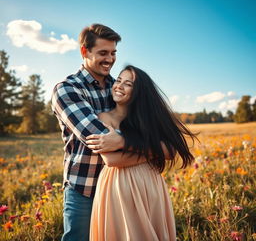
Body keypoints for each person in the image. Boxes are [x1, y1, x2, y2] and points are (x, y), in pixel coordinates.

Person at [86, 65, 197, 241]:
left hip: (150, 185)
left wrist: (123, 142)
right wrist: (155, 150)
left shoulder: (149, 120)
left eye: (128, 84)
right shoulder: (104, 118)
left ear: (139, 92)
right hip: (118, 187)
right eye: (118, 80)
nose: (119, 86)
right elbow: (112, 159)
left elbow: (171, 149)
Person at [51, 24, 140, 241]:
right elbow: (99, 140)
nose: (110, 59)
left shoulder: (118, 86)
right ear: (85, 51)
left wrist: (143, 141)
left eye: (113, 53)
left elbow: (143, 123)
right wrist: (154, 147)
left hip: (121, 185)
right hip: (85, 188)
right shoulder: (67, 89)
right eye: (103, 53)